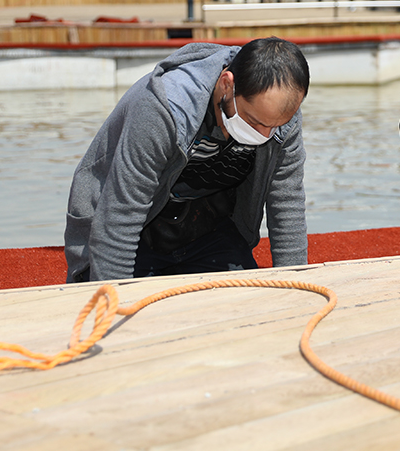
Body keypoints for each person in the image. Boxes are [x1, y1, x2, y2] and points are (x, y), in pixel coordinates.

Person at [64, 37, 310, 282]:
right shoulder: (162, 108)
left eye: (274, 126)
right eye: (254, 122)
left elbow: (287, 202)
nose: (265, 135)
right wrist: (113, 299)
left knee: (248, 304)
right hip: (133, 225)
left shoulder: (280, 116)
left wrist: (296, 287)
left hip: (207, 224)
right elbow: (120, 215)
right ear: (227, 85)